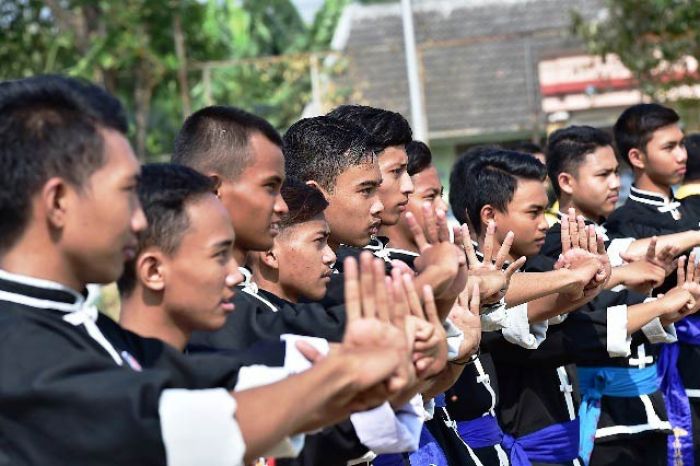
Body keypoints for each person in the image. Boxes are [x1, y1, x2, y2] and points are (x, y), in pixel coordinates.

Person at [0, 75, 414, 465]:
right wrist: (343, 372)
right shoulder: (16, 346)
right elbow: (171, 424)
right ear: (57, 203)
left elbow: (229, 378)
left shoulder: (78, 326)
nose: (140, 220)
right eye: (126, 191)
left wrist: (360, 364)